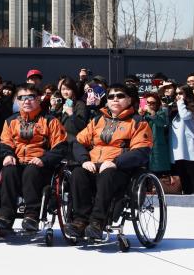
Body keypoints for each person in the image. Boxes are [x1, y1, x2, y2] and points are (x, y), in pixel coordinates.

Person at [65, 83, 153, 240]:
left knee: (107, 174)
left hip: (120, 169)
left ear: (129, 100)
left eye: (120, 96)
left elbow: (141, 151)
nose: (115, 99)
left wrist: (116, 162)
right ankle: (80, 221)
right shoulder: (97, 120)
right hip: (94, 164)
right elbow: (78, 142)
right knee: (78, 172)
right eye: (111, 96)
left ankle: (97, 222)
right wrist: (84, 160)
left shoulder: (139, 122)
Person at [0, 84, 67, 232]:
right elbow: (5, 142)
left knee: (31, 170)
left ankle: (32, 215)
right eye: (21, 98)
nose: (26, 101)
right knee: (8, 171)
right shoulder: (10, 121)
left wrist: (43, 159)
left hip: (41, 167)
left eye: (30, 97)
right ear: (17, 101)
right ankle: (5, 215)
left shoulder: (50, 121)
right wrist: (8, 155)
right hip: (18, 163)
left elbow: (60, 147)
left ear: (38, 99)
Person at [169, 85, 194, 194]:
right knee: (182, 172)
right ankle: (187, 195)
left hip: (189, 144)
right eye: (177, 94)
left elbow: (185, 116)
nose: (178, 96)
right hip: (177, 145)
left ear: (187, 94)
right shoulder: (176, 107)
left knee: (192, 172)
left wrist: (180, 102)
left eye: (181, 93)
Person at [50, 78, 88, 161]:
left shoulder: (79, 104)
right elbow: (52, 123)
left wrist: (71, 114)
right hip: (58, 140)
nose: (65, 92)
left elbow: (82, 125)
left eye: (68, 89)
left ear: (73, 90)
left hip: (73, 141)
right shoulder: (60, 104)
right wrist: (53, 108)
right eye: (63, 89)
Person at [139, 92, 171, 175]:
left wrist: (151, 113)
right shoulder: (141, 114)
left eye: (153, 103)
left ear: (157, 105)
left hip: (157, 148)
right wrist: (140, 115)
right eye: (147, 102)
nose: (149, 105)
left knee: (158, 174)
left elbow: (161, 123)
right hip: (143, 147)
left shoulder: (160, 113)